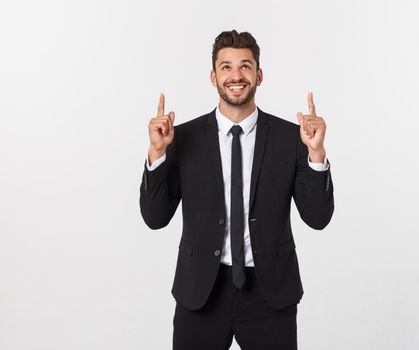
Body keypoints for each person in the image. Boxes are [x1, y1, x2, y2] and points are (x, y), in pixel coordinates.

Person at [140, 30, 334, 350]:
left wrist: (315, 154)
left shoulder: (291, 138)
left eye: (245, 66)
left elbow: (317, 218)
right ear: (213, 76)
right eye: (226, 67)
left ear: (258, 75)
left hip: (270, 294)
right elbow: (154, 217)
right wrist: (157, 153)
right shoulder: (182, 137)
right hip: (201, 291)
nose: (236, 75)